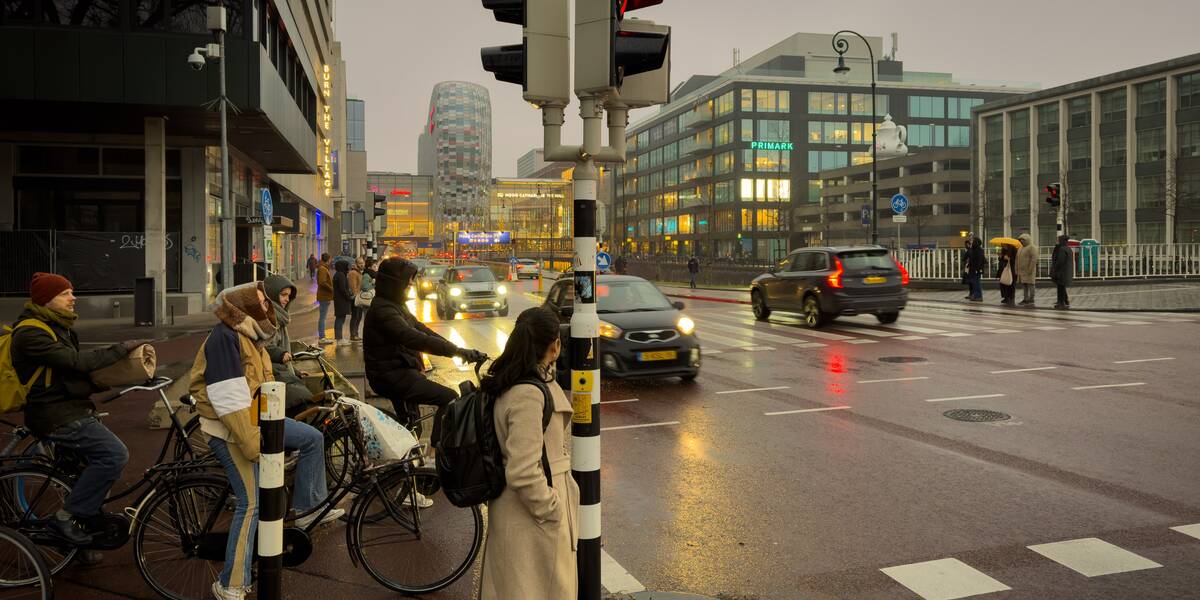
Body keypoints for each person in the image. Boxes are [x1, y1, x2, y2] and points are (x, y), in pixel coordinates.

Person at [190, 282, 342, 600]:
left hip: (257, 424)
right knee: (251, 504)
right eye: (260, 301)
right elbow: (229, 401)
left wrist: (271, 424)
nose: (268, 305)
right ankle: (231, 584)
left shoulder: (253, 337)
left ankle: (308, 508)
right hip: (230, 431)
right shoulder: (225, 337)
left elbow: (263, 388)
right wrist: (253, 442)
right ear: (243, 306)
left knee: (312, 438)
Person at [11, 273, 146, 547]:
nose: (74, 298)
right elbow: (75, 362)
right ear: (46, 299)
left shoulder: (60, 327)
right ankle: (65, 516)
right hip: (54, 414)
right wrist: (119, 349)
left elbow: (69, 376)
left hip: (70, 407)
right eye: (65, 293)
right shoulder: (30, 332)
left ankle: (82, 533)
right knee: (114, 455)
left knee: (86, 470)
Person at [479, 306, 578, 599]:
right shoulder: (528, 394)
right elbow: (523, 470)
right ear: (554, 346)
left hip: (523, 517)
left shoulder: (516, 383)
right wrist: (551, 509)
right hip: (530, 521)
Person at [363, 258, 486, 445]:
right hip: (391, 376)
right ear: (395, 284)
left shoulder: (394, 305)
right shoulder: (384, 310)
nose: (411, 285)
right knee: (449, 398)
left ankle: (405, 463)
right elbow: (413, 337)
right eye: (407, 282)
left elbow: (422, 330)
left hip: (400, 371)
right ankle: (435, 450)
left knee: (412, 427)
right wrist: (457, 351)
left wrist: (459, 350)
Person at [263, 275, 315, 417]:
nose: (287, 299)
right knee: (300, 403)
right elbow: (262, 345)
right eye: (283, 295)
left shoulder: (281, 317)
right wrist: (279, 354)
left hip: (278, 371)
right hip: (269, 374)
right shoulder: (268, 318)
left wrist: (295, 371)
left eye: (289, 296)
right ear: (271, 295)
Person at [332, 258, 353, 346]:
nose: (348, 268)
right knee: (340, 319)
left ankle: (339, 338)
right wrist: (349, 297)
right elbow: (343, 289)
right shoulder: (341, 275)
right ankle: (339, 339)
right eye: (346, 266)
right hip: (341, 300)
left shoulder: (338, 274)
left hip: (339, 300)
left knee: (340, 318)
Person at [1051, 235, 1074, 309]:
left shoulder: (1062, 249)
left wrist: (1055, 269)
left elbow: (1060, 261)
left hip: (1061, 272)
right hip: (1066, 271)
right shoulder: (1068, 249)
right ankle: (1065, 301)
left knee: (1060, 287)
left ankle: (1061, 303)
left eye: (1059, 240)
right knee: (1062, 287)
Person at [316, 253, 333, 344]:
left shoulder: (323, 268)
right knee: (323, 317)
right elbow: (322, 282)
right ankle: (322, 337)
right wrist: (331, 288)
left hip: (324, 296)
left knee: (323, 316)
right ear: (328, 259)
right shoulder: (323, 269)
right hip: (324, 296)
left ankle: (322, 337)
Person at [1016, 233, 1038, 307]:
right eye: (1021, 240)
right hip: (1021, 271)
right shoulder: (1020, 248)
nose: (1022, 241)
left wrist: (1030, 269)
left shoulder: (1032, 247)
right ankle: (1025, 299)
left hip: (1029, 270)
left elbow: (1034, 259)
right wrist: (1016, 269)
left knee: (1031, 285)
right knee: (1024, 285)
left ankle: (1031, 299)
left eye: (1023, 240)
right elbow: (1017, 259)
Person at [348, 257, 365, 343]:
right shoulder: (353, 273)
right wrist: (355, 296)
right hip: (355, 298)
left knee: (359, 316)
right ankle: (353, 335)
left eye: (362, 263)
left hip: (359, 298)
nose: (362, 265)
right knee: (355, 316)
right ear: (356, 264)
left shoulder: (359, 272)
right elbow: (352, 286)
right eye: (360, 263)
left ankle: (356, 334)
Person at [966, 237, 985, 302]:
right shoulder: (974, 249)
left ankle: (979, 296)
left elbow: (980, 261)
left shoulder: (978, 250)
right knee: (974, 282)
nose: (972, 242)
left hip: (976, 269)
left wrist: (977, 269)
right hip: (973, 269)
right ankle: (975, 295)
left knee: (976, 282)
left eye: (973, 241)